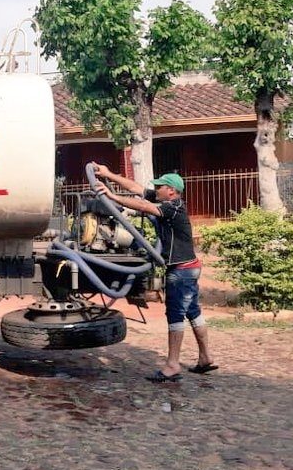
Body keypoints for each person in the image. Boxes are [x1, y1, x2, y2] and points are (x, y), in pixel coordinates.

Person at [91, 164, 217, 383]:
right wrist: (109, 174)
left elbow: (143, 205)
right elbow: (137, 189)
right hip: (188, 268)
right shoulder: (166, 201)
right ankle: (205, 357)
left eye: (160, 186)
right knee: (193, 311)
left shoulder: (172, 207)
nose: (155, 188)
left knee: (175, 315)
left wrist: (110, 195)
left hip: (182, 271)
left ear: (171, 190)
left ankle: (172, 365)